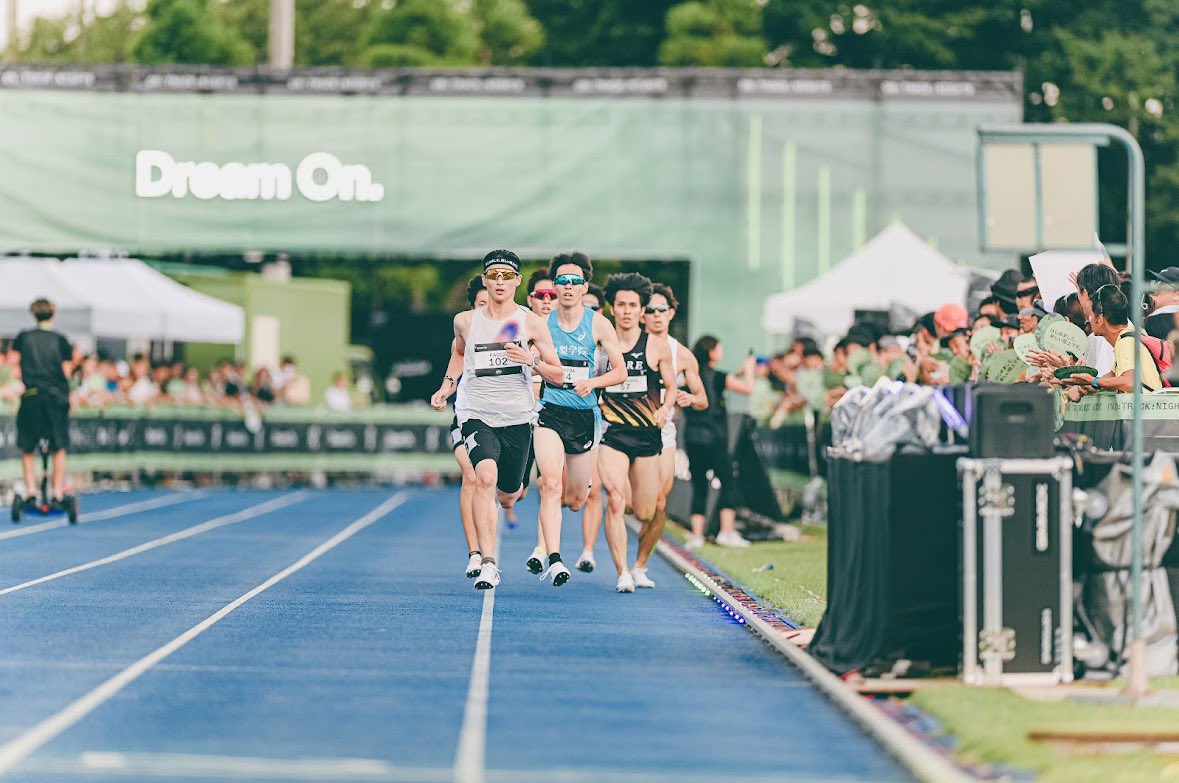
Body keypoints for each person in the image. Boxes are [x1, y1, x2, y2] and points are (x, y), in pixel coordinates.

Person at [430, 249, 566, 590]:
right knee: (484, 477)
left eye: (507, 276)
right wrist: (447, 386)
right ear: (485, 280)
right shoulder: (465, 321)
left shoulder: (531, 323)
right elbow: (459, 352)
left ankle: (508, 500)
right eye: (494, 275)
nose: (500, 282)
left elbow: (559, 375)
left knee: (508, 495)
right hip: (476, 413)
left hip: (517, 417)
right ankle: (488, 562)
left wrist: (530, 361)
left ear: (517, 281)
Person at [529, 252, 627, 586]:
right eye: (562, 281)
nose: (568, 287)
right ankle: (554, 559)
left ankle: (575, 493)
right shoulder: (540, 323)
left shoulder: (598, 324)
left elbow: (620, 372)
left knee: (574, 501)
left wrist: (593, 383)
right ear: (554, 286)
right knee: (549, 484)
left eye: (575, 281)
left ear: (585, 287)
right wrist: (533, 365)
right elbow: (522, 357)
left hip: (585, 416)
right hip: (550, 411)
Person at [597, 273, 678, 592]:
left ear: (641, 310)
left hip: (647, 437)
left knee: (646, 511)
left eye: (633, 305)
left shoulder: (657, 346)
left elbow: (671, 387)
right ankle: (623, 573)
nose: (627, 311)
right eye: (621, 305)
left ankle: (636, 557)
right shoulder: (602, 346)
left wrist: (665, 408)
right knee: (616, 500)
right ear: (613, 308)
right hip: (613, 434)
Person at [630, 283, 707, 588]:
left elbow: (703, 399)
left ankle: (640, 564)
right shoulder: (627, 344)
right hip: (626, 430)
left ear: (672, 313)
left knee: (659, 503)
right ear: (642, 315)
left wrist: (689, 398)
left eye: (662, 309)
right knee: (629, 504)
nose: (656, 315)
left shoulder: (682, 354)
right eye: (650, 310)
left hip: (663, 433)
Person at [683, 336, 755, 549]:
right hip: (714, 437)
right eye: (719, 348)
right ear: (712, 352)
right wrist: (749, 370)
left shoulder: (690, 376)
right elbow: (747, 388)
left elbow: (714, 385)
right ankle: (726, 531)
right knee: (728, 481)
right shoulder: (720, 377)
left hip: (692, 438)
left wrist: (736, 374)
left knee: (699, 485)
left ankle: (697, 535)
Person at [10, 298, 77, 516]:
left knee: (28, 447)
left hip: (31, 396)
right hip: (55, 397)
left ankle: (31, 491)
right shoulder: (60, 339)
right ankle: (57, 492)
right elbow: (66, 371)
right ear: (53, 314)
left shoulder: (24, 337)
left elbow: (14, 365)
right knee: (59, 447)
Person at [448, 275, 491, 579]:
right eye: (481, 304)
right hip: (466, 417)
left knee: (504, 489)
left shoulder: (515, 329)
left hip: (503, 418)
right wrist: (444, 389)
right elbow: (455, 363)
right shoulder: (465, 332)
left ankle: (493, 519)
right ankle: (475, 553)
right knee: (471, 475)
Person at [1062, 283, 1162, 394]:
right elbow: (1110, 377)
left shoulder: (1125, 342)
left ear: (1100, 320)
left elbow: (1130, 382)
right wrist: (1087, 383)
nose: (1089, 320)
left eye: (1091, 315)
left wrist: (1094, 380)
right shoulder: (1124, 338)